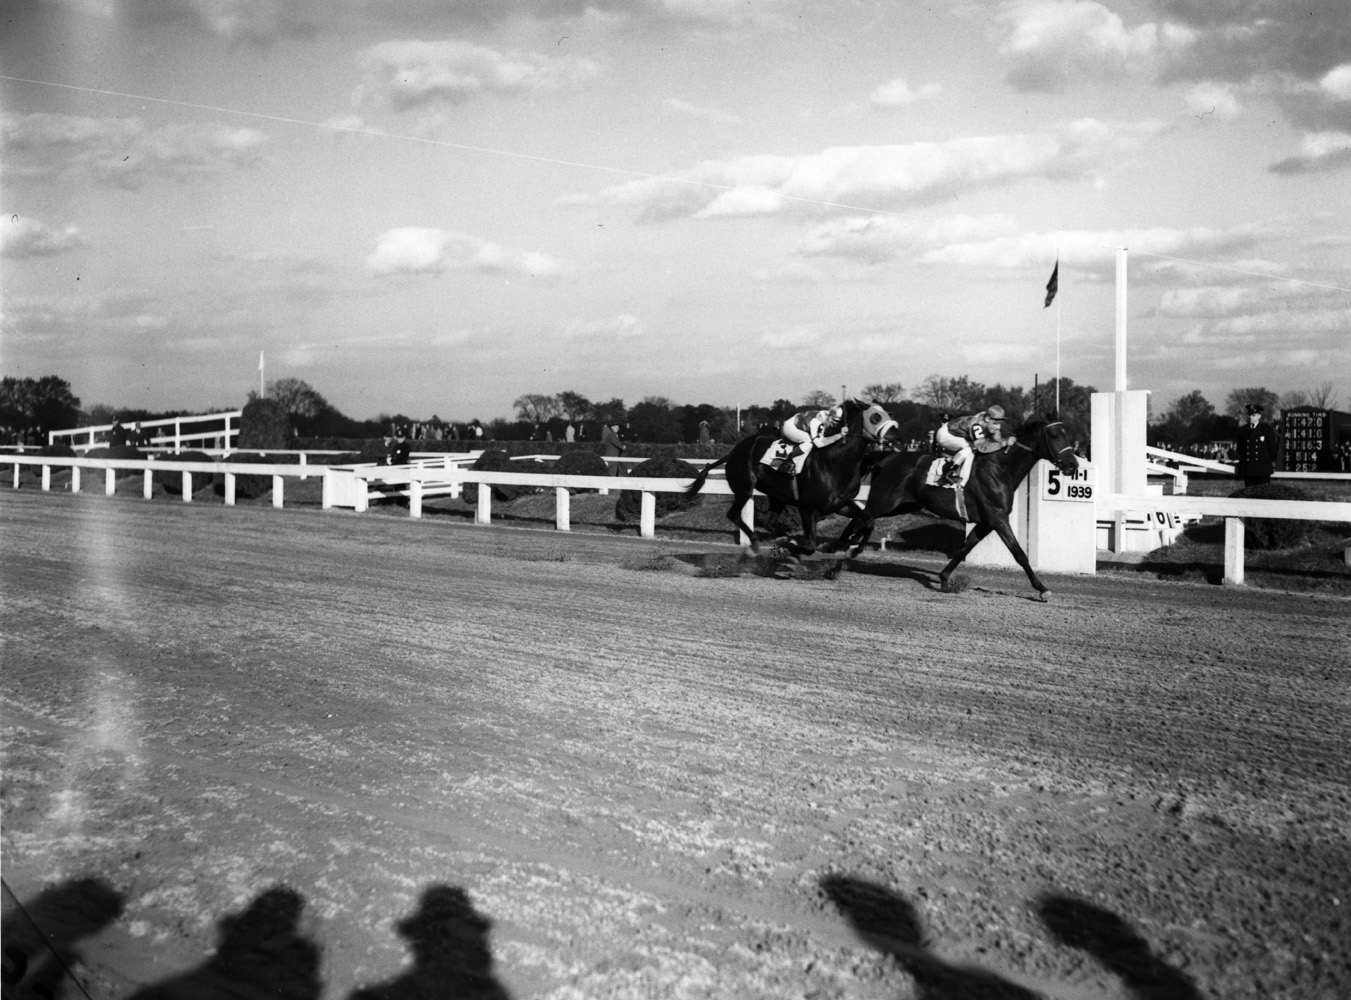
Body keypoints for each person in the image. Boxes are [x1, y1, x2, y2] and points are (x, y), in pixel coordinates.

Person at [935, 405, 1006, 487]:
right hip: (945, 434)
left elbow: (997, 440)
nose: (998, 427)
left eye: (1000, 424)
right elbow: (982, 447)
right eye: (996, 423)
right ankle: (948, 473)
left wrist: (1002, 443)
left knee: (972, 448)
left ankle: (961, 478)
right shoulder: (976, 425)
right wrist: (1003, 443)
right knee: (971, 449)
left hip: (956, 432)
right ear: (987, 419)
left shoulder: (989, 419)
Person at [777, 404, 845, 475]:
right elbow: (819, 443)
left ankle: (795, 469)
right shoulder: (818, 421)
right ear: (830, 416)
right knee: (809, 442)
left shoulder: (826, 417)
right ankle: (788, 461)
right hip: (790, 427)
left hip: (797, 424)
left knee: (798, 469)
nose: (834, 423)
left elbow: (824, 440)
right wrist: (839, 435)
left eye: (837, 421)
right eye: (834, 420)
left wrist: (840, 435)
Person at [1235, 402, 1277, 487]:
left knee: (1263, 495)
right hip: (1248, 470)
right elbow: (1240, 449)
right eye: (1249, 415)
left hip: (1263, 470)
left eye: (1253, 415)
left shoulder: (1266, 430)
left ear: (1259, 416)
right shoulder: (1242, 431)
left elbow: (1272, 449)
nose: (1251, 417)